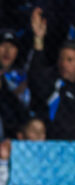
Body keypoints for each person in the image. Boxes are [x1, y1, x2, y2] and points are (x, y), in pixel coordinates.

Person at [29, 8, 75, 141]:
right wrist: (38, 38)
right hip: (50, 147)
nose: (64, 64)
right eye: (61, 59)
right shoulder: (53, 83)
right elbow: (35, 77)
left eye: (70, 60)